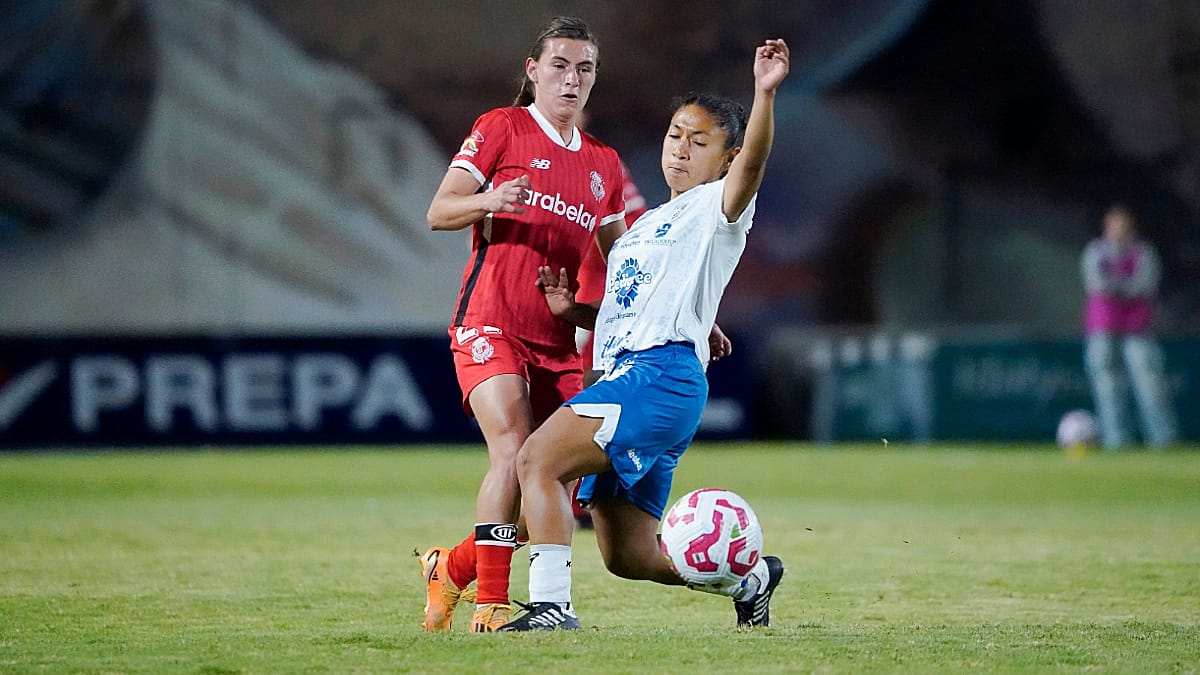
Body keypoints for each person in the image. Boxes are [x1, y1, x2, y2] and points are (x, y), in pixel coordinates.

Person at [498, 38, 791, 631]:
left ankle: (551, 606)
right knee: (628, 556)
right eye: (675, 135)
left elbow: (756, 163)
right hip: (635, 374)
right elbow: (627, 309)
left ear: (728, 158)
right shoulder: (647, 225)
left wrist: (764, 92)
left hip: (657, 378)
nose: (680, 149)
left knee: (537, 461)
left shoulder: (720, 207)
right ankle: (750, 580)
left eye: (699, 141)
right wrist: (573, 311)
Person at [419, 16, 630, 633]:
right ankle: (491, 603)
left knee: (560, 472)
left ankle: (453, 567)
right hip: (489, 322)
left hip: (558, 340)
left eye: (584, 69)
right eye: (559, 66)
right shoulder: (502, 128)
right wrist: (488, 200)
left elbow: (627, 258)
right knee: (512, 450)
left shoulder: (603, 165)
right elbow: (439, 211)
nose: (571, 79)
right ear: (533, 71)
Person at [1081, 203, 1178, 450]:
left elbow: (1144, 285)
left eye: (1123, 225)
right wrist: (1123, 289)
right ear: (1106, 226)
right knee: (1107, 386)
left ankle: (1162, 438)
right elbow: (1096, 284)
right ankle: (1117, 440)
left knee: (1149, 383)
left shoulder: (1143, 252)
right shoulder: (1096, 251)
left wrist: (1119, 289)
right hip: (1103, 326)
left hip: (1137, 327)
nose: (1119, 229)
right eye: (1115, 225)